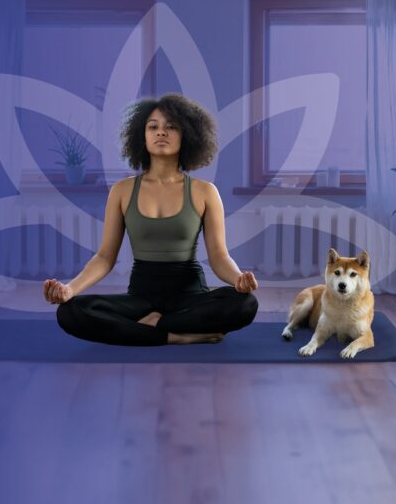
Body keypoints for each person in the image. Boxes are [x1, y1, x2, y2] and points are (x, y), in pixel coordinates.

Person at [44, 93, 259, 346]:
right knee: (70, 311)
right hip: (141, 298)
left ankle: (149, 327)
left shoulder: (205, 191)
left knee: (245, 304)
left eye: (171, 126)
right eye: (153, 126)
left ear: (187, 134)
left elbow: (219, 256)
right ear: (142, 136)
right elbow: (104, 257)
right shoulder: (122, 191)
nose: (161, 132)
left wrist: (238, 280)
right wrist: (70, 289)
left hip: (190, 296)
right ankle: (174, 335)